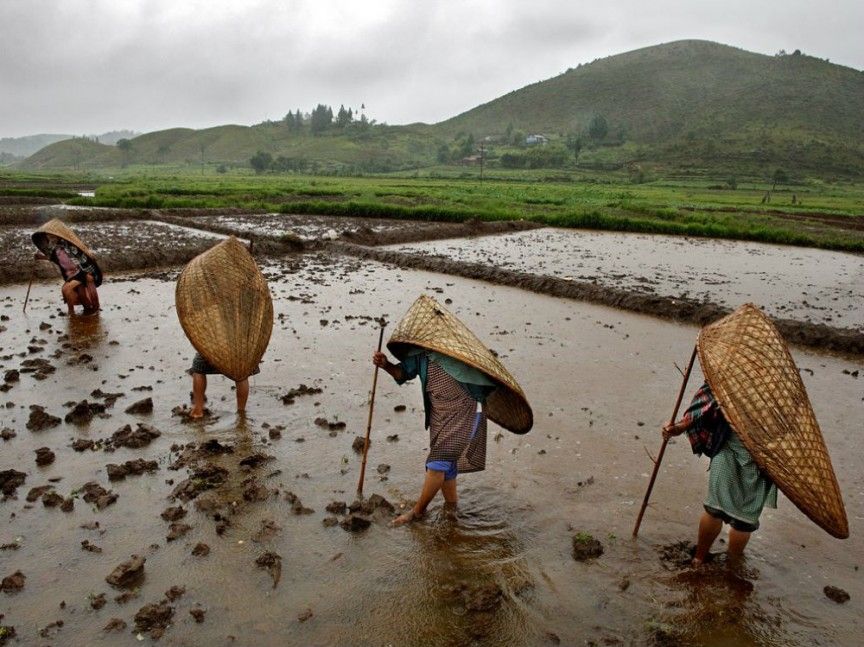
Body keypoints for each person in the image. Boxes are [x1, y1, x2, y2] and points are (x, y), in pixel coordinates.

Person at [373, 348, 497, 525]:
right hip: (440, 415)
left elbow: (486, 380)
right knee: (447, 467)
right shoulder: (421, 353)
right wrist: (385, 365)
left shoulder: (459, 350)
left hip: (465, 411)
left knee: (437, 464)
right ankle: (452, 511)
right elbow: (402, 373)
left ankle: (417, 512)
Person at [663, 382, 777, 567]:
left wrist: (680, 427)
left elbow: (703, 405)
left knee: (716, 509)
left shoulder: (730, 378)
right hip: (759, 460)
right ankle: (731, 567)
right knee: (743, 519)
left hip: (734, 450)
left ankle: (699, 559)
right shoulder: (780, 393)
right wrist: (679, 427)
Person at [34, 233, 100, 314]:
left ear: (57, 236)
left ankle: (71, 312)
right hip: (70, 275)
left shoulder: (68, 245)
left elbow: (82, 255)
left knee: (67, 289)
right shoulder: (54, 250)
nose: (51, 238)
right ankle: (88, 310)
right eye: (49, 236)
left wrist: (88, 271)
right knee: (81, 294)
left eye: (52, 236)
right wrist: (40, 257)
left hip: (80, 272)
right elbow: (55, 259)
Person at [188, 352, 256, 419]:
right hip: (239, 348)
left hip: (214, 347)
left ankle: (198, 410)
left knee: (198, 367)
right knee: (241, 372)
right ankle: (241, 411)